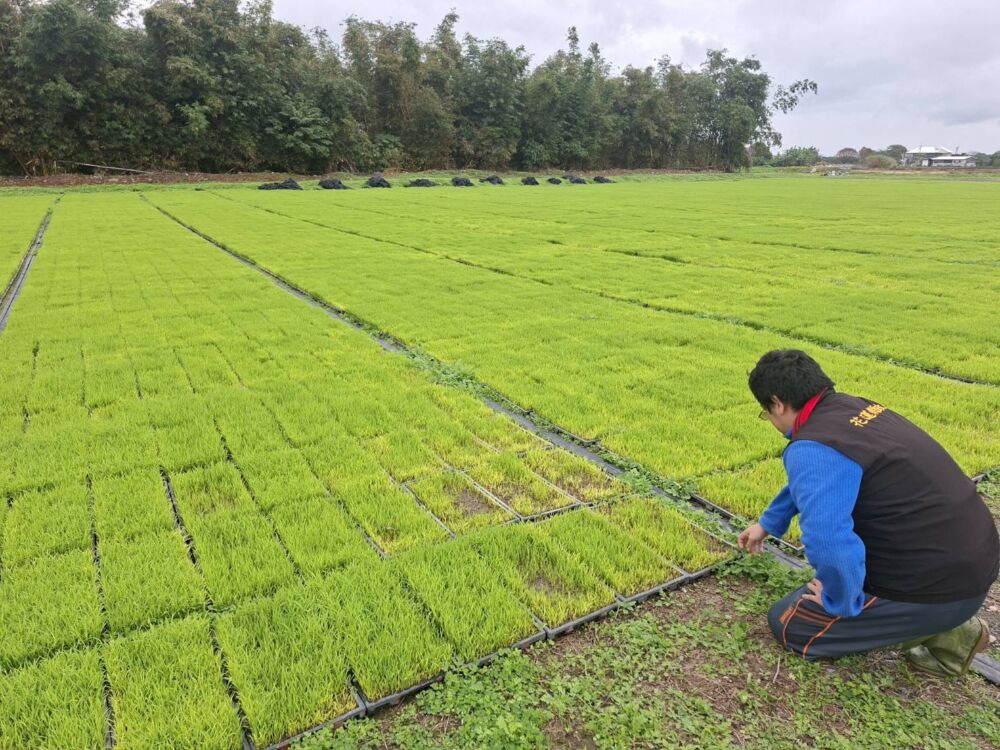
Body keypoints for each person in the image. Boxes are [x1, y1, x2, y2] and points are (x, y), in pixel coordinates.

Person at [737, 349, 998, 676]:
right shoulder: (854, 408)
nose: (771, 421)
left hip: (941, 586)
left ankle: (954, 632)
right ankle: (943, 619)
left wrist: (841, 602)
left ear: (777, 403)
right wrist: (767, 523)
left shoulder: (815, 446)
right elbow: (816, 484)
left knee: (790, 623)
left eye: (766, 413)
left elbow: (830, 542)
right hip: (973, 560)